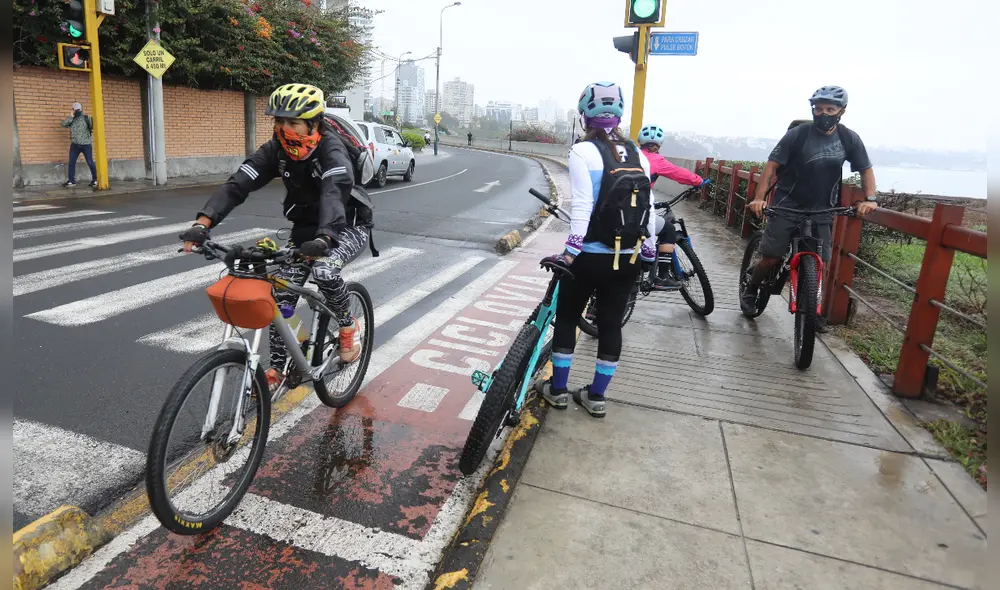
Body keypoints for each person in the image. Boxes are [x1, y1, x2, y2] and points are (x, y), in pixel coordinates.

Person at [180, 83, 375, 391]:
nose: (284, 129)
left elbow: (334, 195)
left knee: (324, 270)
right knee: (278, 295)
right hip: (306, 232)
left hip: (344, 226)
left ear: (314, 122)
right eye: (278, 121)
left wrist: (325, 238)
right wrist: (203, 224)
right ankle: (279, 367)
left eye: (293, 122)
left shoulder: (331, 150)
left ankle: (348, 324)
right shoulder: (277, 150)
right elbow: (239, 184)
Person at [534, 81, 657, 418]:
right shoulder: (638, 154)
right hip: (627, 258)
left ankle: (558, 391)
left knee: (568, 318)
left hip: (588, 257)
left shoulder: (582, 152)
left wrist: (571, 252)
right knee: (611, 325)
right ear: (618, 115)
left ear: (584, 116)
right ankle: (596, 397)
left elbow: (583, 206)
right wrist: (649, 251)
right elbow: (651, 207)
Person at [741, 86, 879, 324]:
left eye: (830, 109)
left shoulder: (848, 138)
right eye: (818, 108)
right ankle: (752, 287)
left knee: (818, 262)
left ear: (841, 112)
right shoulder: (799, 134)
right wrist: (759, 198)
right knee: (772, 257)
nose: (823, 113)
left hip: (823, 209)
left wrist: (870, 199)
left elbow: (866, 169)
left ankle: (812, 311)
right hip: (788, 205)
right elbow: (772, 166)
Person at [636, 124, 710, 289]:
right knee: (668, 229)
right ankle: (662, 277)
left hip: (619, 208)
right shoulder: (656, 160)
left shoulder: (631, 154)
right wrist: (698, 181)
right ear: (659, 145)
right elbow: (679, 173)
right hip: (639, 209)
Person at [61, 102, 97, 187]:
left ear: (81, 109)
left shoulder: (86, 118)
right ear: (72, 110)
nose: (77, 111)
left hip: (86, 145)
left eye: (78, 109)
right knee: (71, 163)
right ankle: (71, 181)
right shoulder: (72, 119)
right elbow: (63, 124)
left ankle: (95, 180)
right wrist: (71, 117)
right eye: (75, 109)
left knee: (90, 162)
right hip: (74, 145)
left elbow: (94, 126)